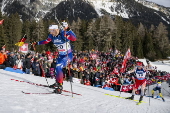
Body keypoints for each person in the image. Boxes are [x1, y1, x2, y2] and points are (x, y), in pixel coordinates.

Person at [33, 22, 76, 93]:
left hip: (68, 55)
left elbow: (74, 38)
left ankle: (60, 87)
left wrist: (68, 29)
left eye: (52, 30)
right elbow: (46, 41)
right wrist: (37, 43)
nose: (51, 32)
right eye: (50, 31)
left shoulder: (63, 34)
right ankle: (58, 82)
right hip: (61, 55)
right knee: (56, 68)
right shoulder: (51, 36)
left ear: (56, 29)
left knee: (59, 67)